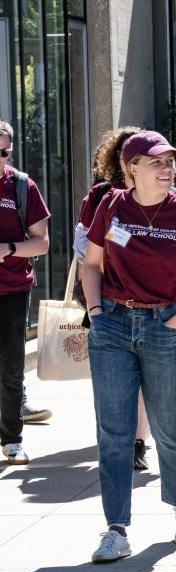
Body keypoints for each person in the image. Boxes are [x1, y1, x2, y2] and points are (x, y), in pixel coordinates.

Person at [82, 130, 176, 562]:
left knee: (169, 427)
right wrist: (94, 312)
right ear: (131, 169)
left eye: (170, 162)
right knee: (114, 433)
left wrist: (175, 322)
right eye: (157, 162)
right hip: (112, 325)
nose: (168, 169)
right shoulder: (110, 206)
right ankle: (116, 529)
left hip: (165, 323)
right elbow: (91, 264)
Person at [75, 126, 160, 471]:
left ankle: (138, 442)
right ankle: (120, 439)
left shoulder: (163, 193)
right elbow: (82, 247)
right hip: (109, 300)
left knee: (145, 383)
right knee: (114, 379)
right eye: (130, 155)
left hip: (153, 301)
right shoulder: (100, 196)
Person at [0, 119, 50, 466]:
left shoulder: (21, 186)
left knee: (11, 368)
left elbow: (42, 243)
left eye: (3, 153)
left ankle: (11, 439)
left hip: (12, 289)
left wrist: (8, 249)